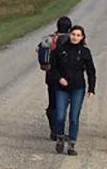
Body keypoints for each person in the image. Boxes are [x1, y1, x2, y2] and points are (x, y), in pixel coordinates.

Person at [48, 24, 97, 155]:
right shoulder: (60, 49)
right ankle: (60, 137)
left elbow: (91, 70)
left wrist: (92, 88)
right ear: (69, 35)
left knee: (74, 117)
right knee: (59, 116)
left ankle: (71, 144)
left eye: (78, 35)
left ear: (82, 37)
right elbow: (52, 68)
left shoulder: (85, 52)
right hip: (61, 87)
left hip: (78, 87)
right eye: (73, 34)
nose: (75, 37)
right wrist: (59, 78)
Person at [39, 15, 74, 139]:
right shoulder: (72, 39)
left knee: (53, 102)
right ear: (70, 28)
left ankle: (54, 130)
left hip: (51, 75)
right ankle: (60, 129)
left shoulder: (49, 38)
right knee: (65, 102)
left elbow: (39, 50)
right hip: (68, 76)